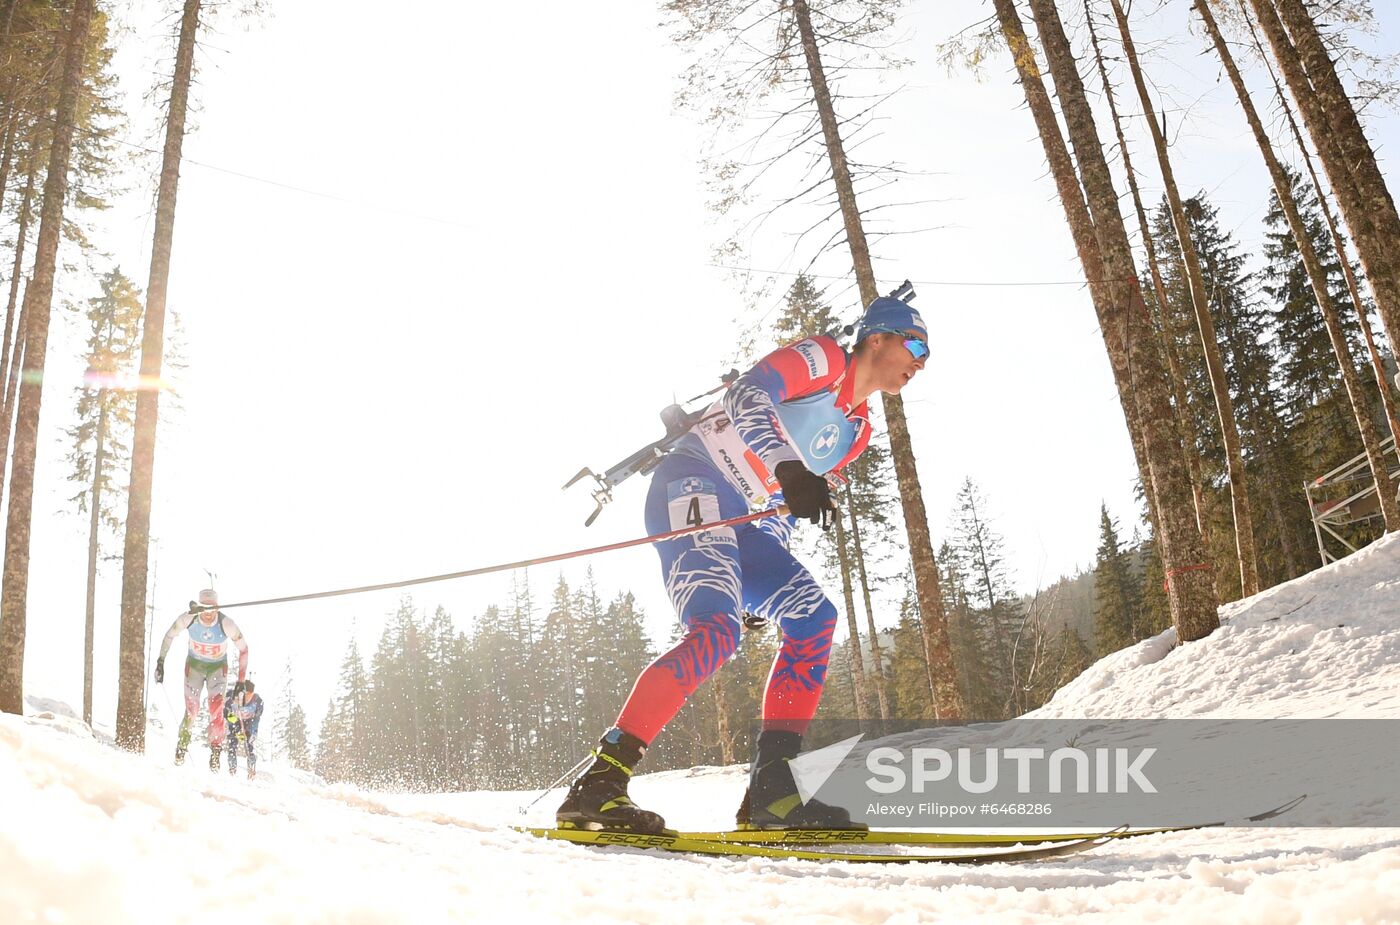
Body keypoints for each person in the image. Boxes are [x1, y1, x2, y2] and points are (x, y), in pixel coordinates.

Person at [556, 295, 930, 834]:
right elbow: (748, 394)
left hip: (743, 520)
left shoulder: (857, 431)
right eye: (915, 345)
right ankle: (600, 784)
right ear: (878, 338)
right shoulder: (825, 358)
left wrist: (766, 563)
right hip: (693, 477)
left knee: (812, 618)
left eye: (926, 355)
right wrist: (788, 466)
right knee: (716, 632)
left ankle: (772, 793)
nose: (920, 362)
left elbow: (785, 503)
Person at [154, 588, 250, 770]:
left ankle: (215, 750)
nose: (208, 613)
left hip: (217, 668)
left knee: (216, 707)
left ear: (217, 607)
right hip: (195, 667)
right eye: (204, 608)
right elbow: (169, 635)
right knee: (192, 709)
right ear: (198, 606)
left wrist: (241, 681)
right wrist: (161, 661)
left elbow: (244, 649)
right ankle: (182, 746)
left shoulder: (226, 623)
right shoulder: (189, 618)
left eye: (212, 608)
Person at [224, 680, 264, 779]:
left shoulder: (257, 702)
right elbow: (227, 715)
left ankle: (251, 767)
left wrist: (253, 732)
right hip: (235, 721)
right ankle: (232, 768)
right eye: (247, 695)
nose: (248, 698)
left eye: (250, 695)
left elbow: (256, 719)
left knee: (249, 744)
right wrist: (237, 729)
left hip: (249, 722)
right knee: (232, 744)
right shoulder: (232, 698)